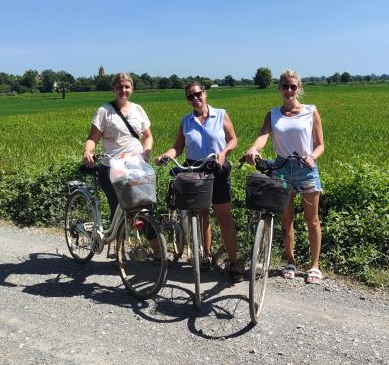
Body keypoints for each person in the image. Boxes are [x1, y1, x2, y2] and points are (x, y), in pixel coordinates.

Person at [155, 81, 243, 282]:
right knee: (202, 215)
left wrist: (224, 153)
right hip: (195, 170)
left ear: (205, 94)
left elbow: (233, 139)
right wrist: (165, 156)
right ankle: (206, 255)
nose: (195, 99)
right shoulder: (186, 121)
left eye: (198, 94)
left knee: (224, 217)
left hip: (217, 167)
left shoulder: (221, 114)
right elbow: (177, 147)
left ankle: (234, 261)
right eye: (190, 96)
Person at [246, 69, 325, 284]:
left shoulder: (311, 111)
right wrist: (254, 149)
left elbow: (320, 144)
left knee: (312, 220)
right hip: (281, 168)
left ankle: (315, 266)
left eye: (293, 86)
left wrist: (313, 157)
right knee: (286, 218)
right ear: (279, 88)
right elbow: (263, 136)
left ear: (298, 88)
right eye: (285, 86)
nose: (289, 90)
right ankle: (290, 261)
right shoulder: (273, 114)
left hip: (305, 168)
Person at [82, 72, 153, 218]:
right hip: (112, 168)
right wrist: (87, 151)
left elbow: (148, 136)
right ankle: (116, 240)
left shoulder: (138, 109)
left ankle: (153, 240)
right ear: (113, 89)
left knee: (144, 210)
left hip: (136, 167)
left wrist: (146, 153)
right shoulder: (105, 111)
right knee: (120, 213)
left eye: (127, 87)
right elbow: (92, 139)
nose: (123, 90)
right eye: (119, 87)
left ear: (132, 88)